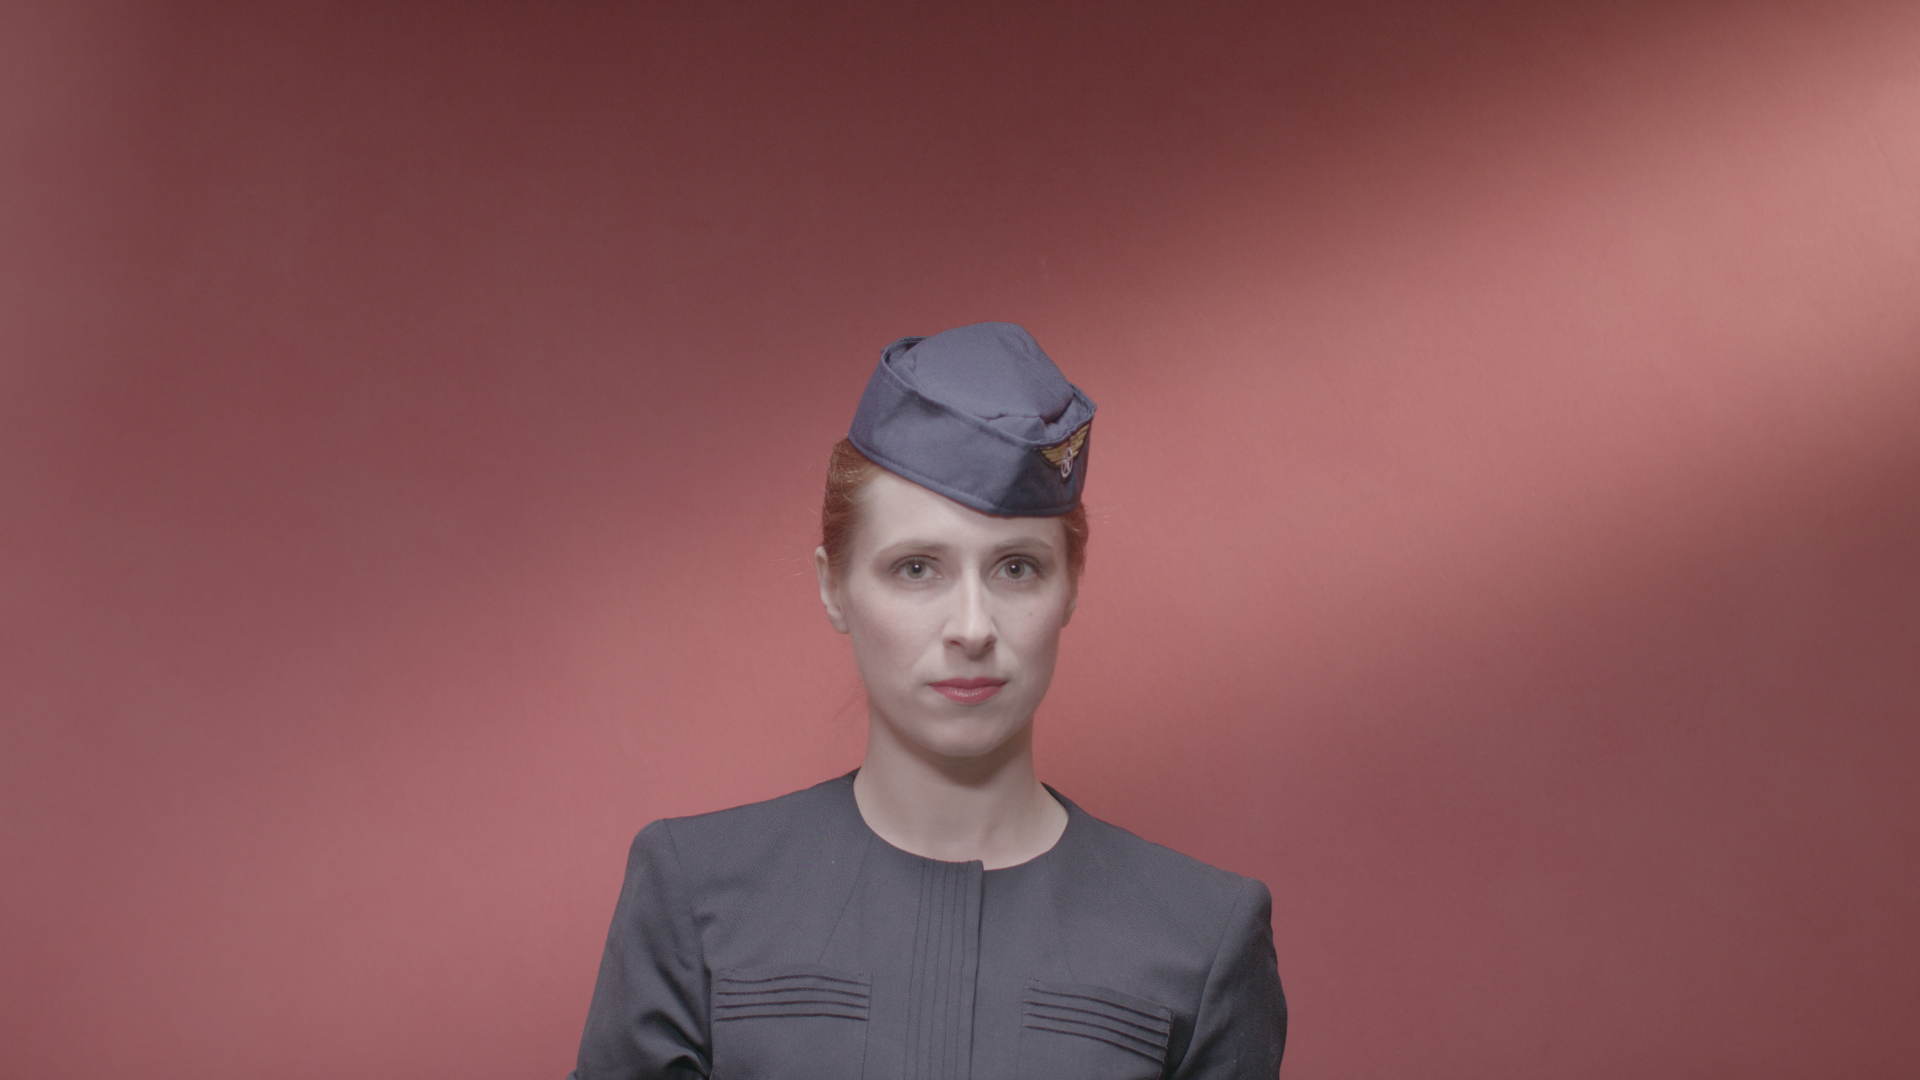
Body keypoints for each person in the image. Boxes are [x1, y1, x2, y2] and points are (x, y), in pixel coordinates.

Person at [570, 323, 1285, 1079]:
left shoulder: (1202, 938)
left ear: (1071, 585)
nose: (972, 628)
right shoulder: (694, 896)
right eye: (917, 568)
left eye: (1017, 568)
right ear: (833, 586)